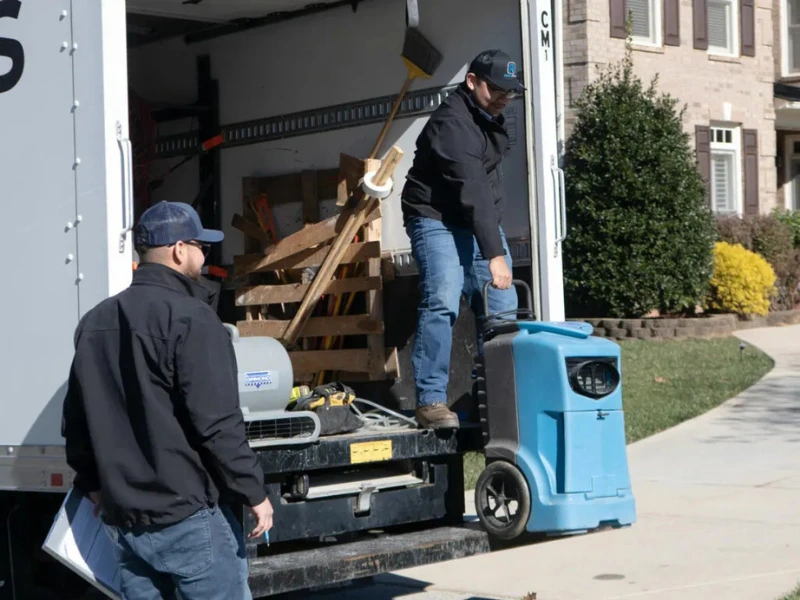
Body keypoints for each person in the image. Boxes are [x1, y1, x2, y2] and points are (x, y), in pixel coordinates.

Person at [62, 200, 273, 600]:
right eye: (201, 246)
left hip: (125, 522)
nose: (204, 255)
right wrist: (255, 493)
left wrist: (92, 484)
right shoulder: (192, 318)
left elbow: (76, 422)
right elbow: (218, 426)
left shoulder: (94, 322)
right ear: (179, 250)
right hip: (188, 518)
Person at [401, 49, 524, 430]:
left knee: (503, 303)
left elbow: (487, 185)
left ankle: (491, 394)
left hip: (474, 216)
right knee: (442, 296)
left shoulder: (494, 115)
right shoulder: (451, 125)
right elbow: (472, 188)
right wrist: (495, 253)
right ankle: (431, 400)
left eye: (510, 91)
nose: (504, 98)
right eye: (496, 90)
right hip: (434, 217)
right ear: (472, 82)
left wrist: (492, 238)